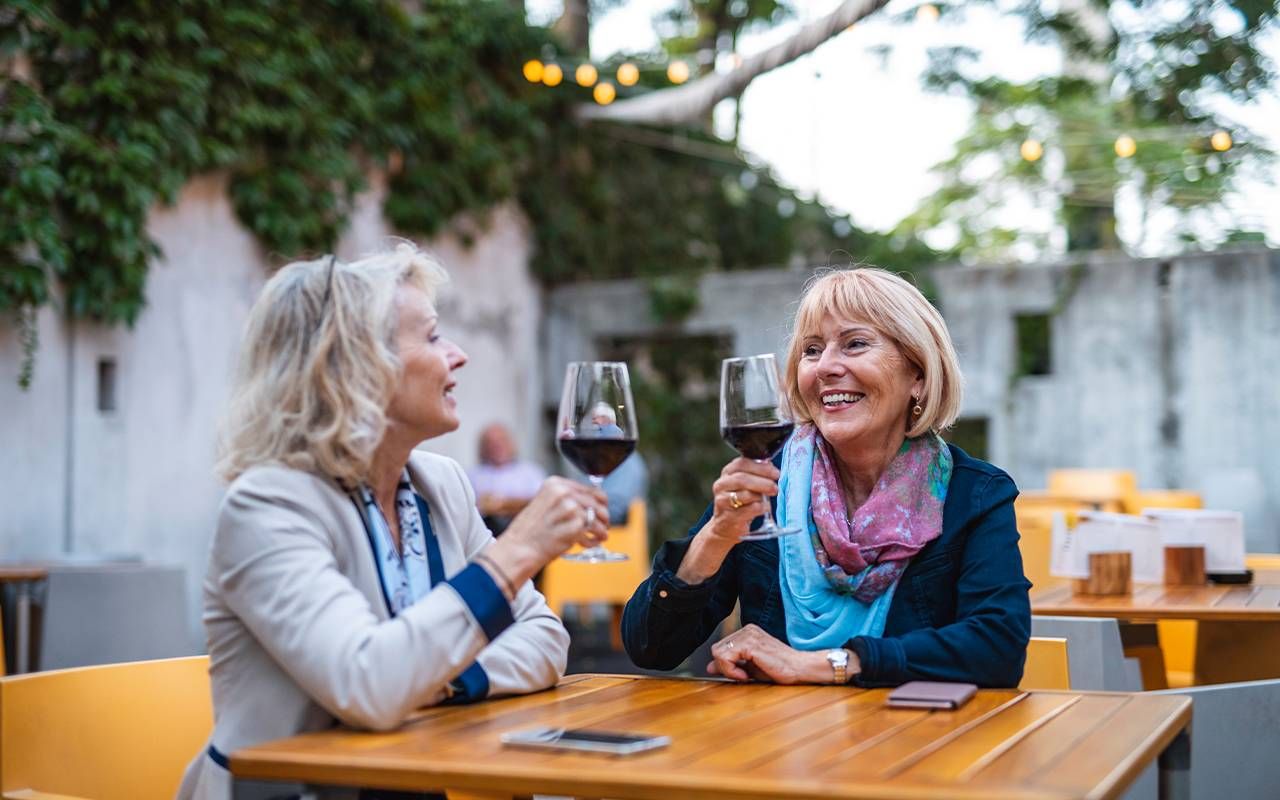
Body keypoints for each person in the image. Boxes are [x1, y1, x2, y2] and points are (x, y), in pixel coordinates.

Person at [179, 243, 609, 800]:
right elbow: (371, 684)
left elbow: (546, 639)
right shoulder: (267, 506)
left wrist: (444, 681)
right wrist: (517, 550)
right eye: (431, 337)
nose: (457, 355)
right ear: (357, 368)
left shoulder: (443, 484)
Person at [621, 267, 1031, 688]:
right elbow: (650, 647)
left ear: (918, 376)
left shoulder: (975, 494)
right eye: (812, 350)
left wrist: (827, 665)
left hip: (919, 740)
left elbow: (997, 647)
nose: (826, 367)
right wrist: (715, 537)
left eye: (855, 344)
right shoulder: (769, 483)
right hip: (776, 744)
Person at [468, 422, 546, 535]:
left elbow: (541, 503)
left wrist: (502, 505)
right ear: (483, 447)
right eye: (490, 443)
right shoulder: (473, 475)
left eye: (501, 440)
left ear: (511, 443)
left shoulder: (531, 472)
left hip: (526, 532)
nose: (497, 446)